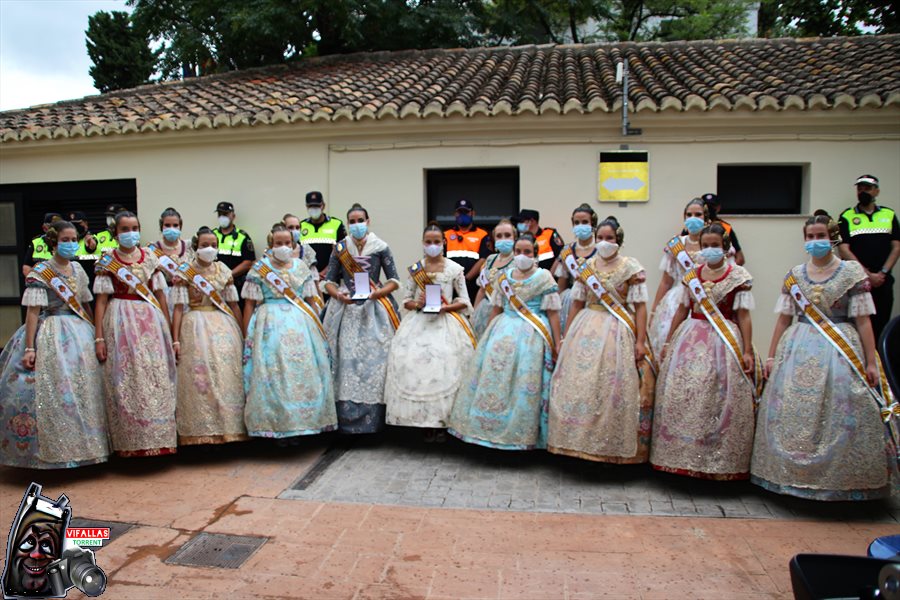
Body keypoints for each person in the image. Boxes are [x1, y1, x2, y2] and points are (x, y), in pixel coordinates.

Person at [752, 211, 898, 500]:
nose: (815, 241)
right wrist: (770, 357)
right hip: (799, 345)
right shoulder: (794, 275)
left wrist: (871, 361)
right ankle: (787, 478)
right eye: (810, 237)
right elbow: (784, 319)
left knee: (842, 406)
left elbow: (864, 321)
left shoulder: (851, 274)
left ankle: (843, 483)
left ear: (831, 238)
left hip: (841, 348)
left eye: (820, 236)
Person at [651, 223, 756, 480]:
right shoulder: (692, 276)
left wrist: (747, 350)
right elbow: (681, 310)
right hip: (690, 337)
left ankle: (716, 460)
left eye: (715, 246)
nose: (709, 250)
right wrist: (667, 342)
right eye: (706, 245)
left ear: (725, 247)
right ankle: (678, 457)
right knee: (684, 393)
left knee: (717, 395)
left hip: (724, 340)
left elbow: (744, 317)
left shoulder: (738, 276)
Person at [0, 220, 109, 468]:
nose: (70, 244)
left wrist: (96, 333)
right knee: (54, 391)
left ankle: (87, 449)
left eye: (74, 240)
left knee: (83, 390)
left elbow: (85, 304)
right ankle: (54, 452)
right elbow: (31, 312)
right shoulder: (41, 272)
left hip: (79, 333)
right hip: (49, 331)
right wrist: (30, 348)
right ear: (53, 242)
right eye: (65, 240)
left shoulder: (79, 271)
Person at [548, 216, 653, 463]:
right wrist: (566, 336)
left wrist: (640, 341)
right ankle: (575, 443)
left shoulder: (631, 268)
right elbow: (577, 302)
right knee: (580, 382)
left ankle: (608, 446)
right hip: (586, 325)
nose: (605, 242)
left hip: (618, 330)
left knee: (611, 384)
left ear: (619, 241)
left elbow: (640, 307)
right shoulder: (587, 267)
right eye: (601, 238)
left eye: (610, 238)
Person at [448, 232, 561, 450]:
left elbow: (553, 313)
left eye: (527, 252)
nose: (521, 256)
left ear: (535, 254)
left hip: (532, 336)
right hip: (502, 331)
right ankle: (486, 431)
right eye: (518, 251)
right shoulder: (504, 276)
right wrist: (487, 336)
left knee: (524, 381)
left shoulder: (544, 277)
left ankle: (522, 434)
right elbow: (497, 308)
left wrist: (557, 343)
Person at [93, 211, 177, 457]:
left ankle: (158, 440)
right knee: (125, 378)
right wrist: (99, 337)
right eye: (125, 229)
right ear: (116, 233)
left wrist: (170, 333)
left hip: (150, 322)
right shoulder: (108, 260)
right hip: (119, 320)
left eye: (135, 228)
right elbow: (100, 301)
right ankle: (129, 444)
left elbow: (161, 296)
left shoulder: (151, 258)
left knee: (154, 377)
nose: (131, 233)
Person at [242, 223, 337, 440]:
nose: (283, 246)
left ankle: (303, 424)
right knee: (273, 374)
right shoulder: (260, 269)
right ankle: (275, 427)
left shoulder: (301, 267)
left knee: (301, 371)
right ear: (270, 244)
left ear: (293, 244)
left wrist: (320, 323)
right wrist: (247, 333)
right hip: (268, 325)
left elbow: (312, 299)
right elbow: (249, 304)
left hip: (300, 322)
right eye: (278, 243)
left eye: (287, 243)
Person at [385, 222, 475, 441]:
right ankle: (422, 423)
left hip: (446, 323)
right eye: (428, 242)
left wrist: (446, 307)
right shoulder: (417, 269)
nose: (432, 245)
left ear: (443, 242)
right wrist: (419, 303)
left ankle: (444, 422)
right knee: (412, 364)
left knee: (445, 367)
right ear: (423, 244)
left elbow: (464, 301)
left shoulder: (455, 269)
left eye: (436, 241)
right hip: (419, 323)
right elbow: (406, 301)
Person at [321, 204, 401, 434]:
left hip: (374, 308)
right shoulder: (340, 248)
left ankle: (374, 421)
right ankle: (342, 422)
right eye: (352, 221)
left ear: (368, 221)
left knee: (374, 361)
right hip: (344, 308)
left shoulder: (380, 247)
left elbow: (394, 279)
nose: (356, 224)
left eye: (360, 220)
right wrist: (337, 294)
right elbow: (329, 280)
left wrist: (379, 293)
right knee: (344, 361)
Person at [170, 226, 248, 446]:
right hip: (194, 324)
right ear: (196, 247)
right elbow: (177, 308)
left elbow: (233, 304)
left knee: (225, 374)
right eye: (205, 245)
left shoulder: (223, 270)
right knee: (199, 376)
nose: (209, 248)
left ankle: (229, 429)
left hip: (223, 324)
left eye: (213, 245)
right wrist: (175, 339)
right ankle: (200, 430)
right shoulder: (185, 271)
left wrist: (242, 335)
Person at [648, 198, 724, 356]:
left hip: (707, 299)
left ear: (706, 218)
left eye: (698, 214)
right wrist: (654, 311)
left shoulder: (714, 245)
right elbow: (665, 282)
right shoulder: (676, 245)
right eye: (689, 214)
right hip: (676, 301)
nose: (693, 218)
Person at [838, 174, 900, 342]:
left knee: (881, 325)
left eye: (867, 188)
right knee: (857, 326)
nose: (863, 191)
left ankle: (879, 364)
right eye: (860, 188)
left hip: (883, 280)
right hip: (857, 280)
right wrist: (865, 274)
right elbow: (844, 249)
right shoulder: (847, 216)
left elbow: (896, 247)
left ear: (876, 191)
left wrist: (882, 273)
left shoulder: (889, 214)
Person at [553, 204, 598, 333]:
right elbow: (561, 284)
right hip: (570, 301)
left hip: (593, 302)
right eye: (576, 222)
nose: (580, 225)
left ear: (593, 224)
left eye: (585, 222)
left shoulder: (600, 250)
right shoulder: (567, 251)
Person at [471, 220, 516, 338]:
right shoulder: (490, 259)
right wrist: (474, 313)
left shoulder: (518, 262)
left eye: (507, 235)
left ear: (515, 238)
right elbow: (482, 290)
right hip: (484, 311)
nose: (503, 239)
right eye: (499, 236)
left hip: (506, 314)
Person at [443, 199, 491, 304]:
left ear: (473, 213)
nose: (463, 215)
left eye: (466, 212)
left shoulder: (482, 234)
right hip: (451, 284)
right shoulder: (446, 235)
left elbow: (483, 259)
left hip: (472, 284)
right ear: (455, 214)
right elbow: (442, 259)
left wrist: (466, 279)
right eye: (460, 212)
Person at [151, 207, 194, 319]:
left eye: (175, 225)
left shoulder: (189, 247)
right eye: (167, 225)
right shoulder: (153, 249)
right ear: (161, 226)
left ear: (180, 226)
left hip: (185, 296)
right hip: (162, 298)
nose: (172, 228)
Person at [213, 201, 256, 298]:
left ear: (233, 216)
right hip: (214, 283)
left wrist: (227, 276)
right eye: (220, 214)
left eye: (225, 214)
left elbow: (248, 262)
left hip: (236, 283)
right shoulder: (212, 234)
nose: (222, 217)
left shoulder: (242, 236)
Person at [299, 191, 346, 280]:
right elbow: (298, 255)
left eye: (317, 206)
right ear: (306, 206)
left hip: (331, 277)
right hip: (308, 278)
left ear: (323, 205)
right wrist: (312, 274)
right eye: (310, 206)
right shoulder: (301, 225)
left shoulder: (336, 224)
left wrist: (324, 273)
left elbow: (342, 253)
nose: (314, 208)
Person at [66, 210, 100, 284]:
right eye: (72, 224)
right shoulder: (66, 242)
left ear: (86, 223)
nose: (75, 227)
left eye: (78, 223)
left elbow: (92, 246)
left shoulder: (93, 238)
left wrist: (92, 245)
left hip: (90, 283)